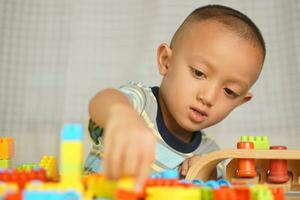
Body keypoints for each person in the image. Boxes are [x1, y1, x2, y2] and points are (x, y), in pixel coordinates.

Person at [84, 4, 266, 191]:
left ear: (240, 102)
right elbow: (104, 100)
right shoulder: (139, 104)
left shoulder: (210, 156)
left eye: (229, 92)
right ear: (166, 61)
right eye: (198, 72)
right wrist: (121, 115)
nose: (208, 97)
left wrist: (203, 177)